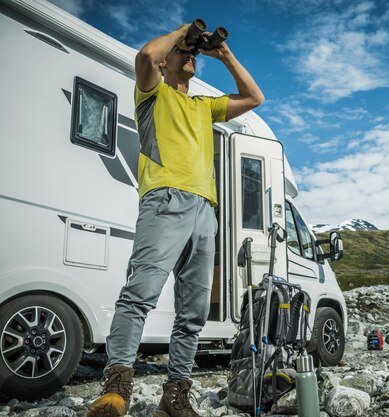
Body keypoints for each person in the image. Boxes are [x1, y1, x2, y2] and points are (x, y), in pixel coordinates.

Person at [87, 23, 264, 417]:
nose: (190, 56)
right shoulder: (152, 94)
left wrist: (224, 55)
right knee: (139, 296)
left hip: (205, 211)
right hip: (164, 202)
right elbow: (147, 57)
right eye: (184, 52)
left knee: (194, 312)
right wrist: (185, 31)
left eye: (193, 53)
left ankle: (176, 394)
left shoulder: (205, 107)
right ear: (167, 63)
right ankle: (116, 388)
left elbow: (254, 97)